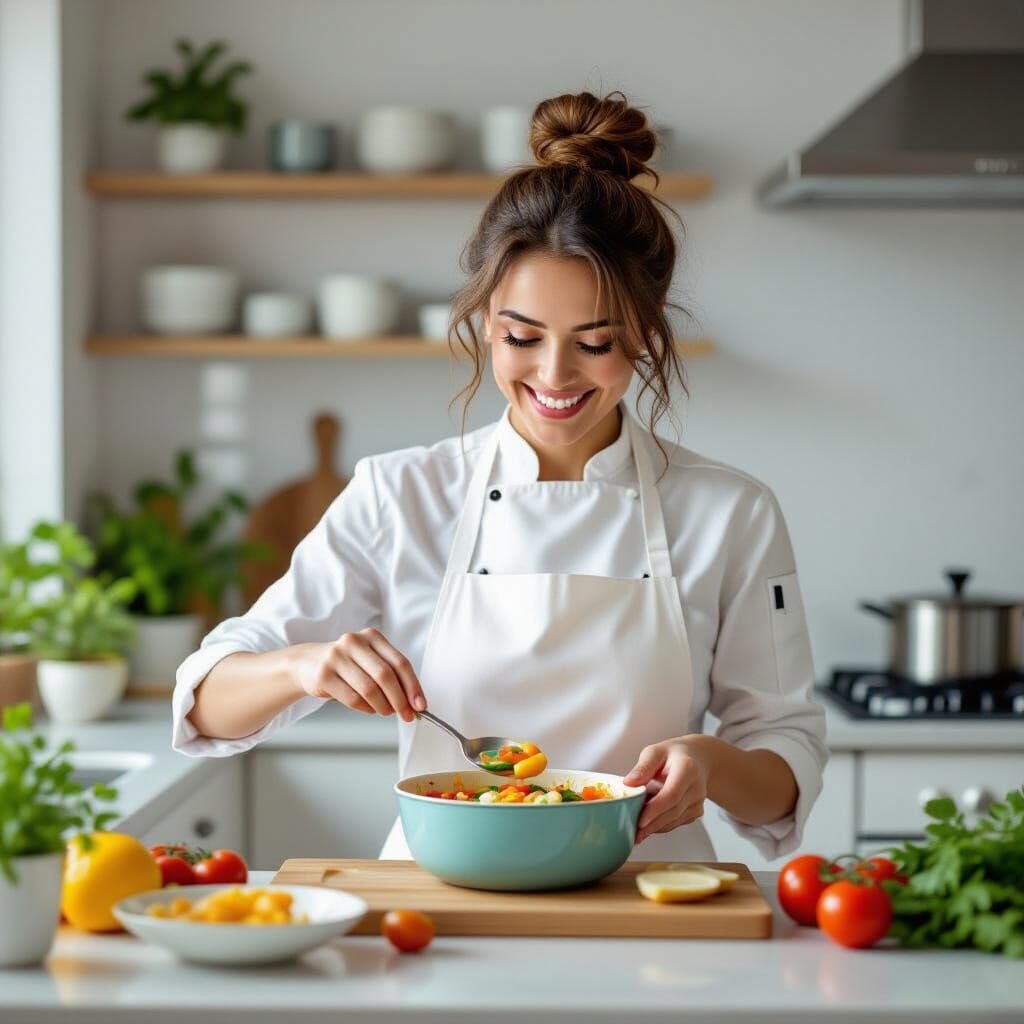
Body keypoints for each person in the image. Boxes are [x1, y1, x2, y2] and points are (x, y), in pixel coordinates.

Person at [172, 89, 827, 862]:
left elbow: (786, 756)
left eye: (596, 341)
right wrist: (302, 664)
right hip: (437, 911)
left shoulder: (730, 512)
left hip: (647, 908)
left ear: (647, 335)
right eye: (523, 336)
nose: (555, 375)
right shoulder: (399, 495)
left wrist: (713, 767)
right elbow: (207, 706)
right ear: (486, 323)